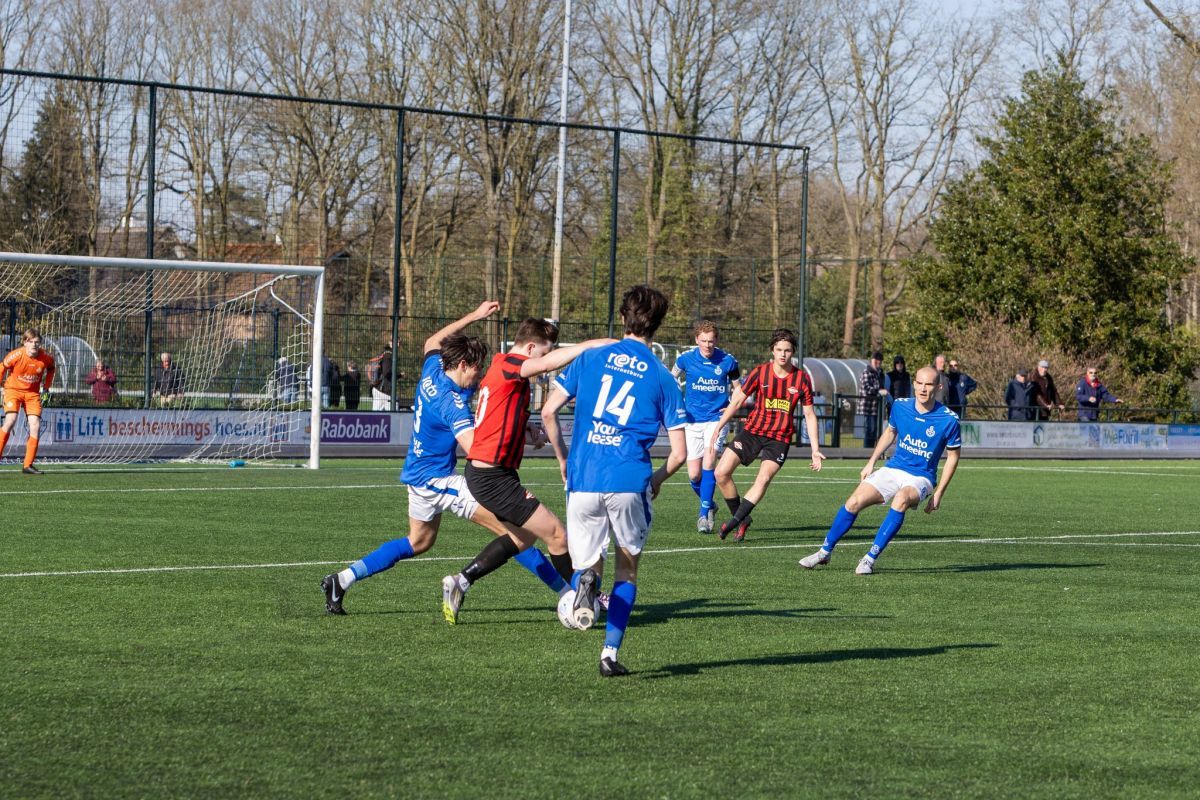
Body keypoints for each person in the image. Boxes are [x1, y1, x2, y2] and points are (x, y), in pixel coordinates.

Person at [320, 301, 572, 615]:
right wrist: (524, 434)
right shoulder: (453, 405)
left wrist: (474, 315)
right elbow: (478, 447)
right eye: (476, 369)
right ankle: (568, 593)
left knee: (419, 542)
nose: (479, 376)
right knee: (518, 532)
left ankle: (341, 579)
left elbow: (432, 341)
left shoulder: (434, 370)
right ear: (463, 364)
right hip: (439, 480)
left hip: (417, 475)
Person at [541, 285, 687, 677]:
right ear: (657, 325)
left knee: (587, 562)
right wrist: (657, 479)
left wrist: (564, 459)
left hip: (584, 476)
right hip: (629, 479)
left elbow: (549, 411)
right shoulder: (663, 377)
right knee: (627, 570)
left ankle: (586, 582)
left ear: (623, 318)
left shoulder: (590, 358)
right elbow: (680, 454)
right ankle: (609, 653)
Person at [440, 319, 614, 624]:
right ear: (530, 348)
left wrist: (527, 429)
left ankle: (461, 581)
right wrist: (591, 345)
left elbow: (497, 417)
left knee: (522, 539)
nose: (545, 362)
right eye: (544, 352)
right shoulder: (510, 364)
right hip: (492, 478)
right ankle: (585, 596)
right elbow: (546, 364)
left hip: (491, 474)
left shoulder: (501, 369)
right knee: (557, 535)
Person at [799, 365, 961, 575]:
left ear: (938, 387)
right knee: (853, 502)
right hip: (894, 468)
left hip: (921, 477)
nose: (923, 388)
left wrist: (938, 493)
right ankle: (824, 552)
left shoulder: (949, 419)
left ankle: (869, 559)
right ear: (914, 384)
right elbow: (890, 433)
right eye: (919, 383)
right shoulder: (900, 406)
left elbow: (953, 457)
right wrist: (871, 462)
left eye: (928, 384)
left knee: (901, 499)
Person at [708, 328, 825, 543]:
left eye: (787, 350)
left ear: (793, 352)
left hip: (779, 439)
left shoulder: (802, 379)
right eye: (779, 350)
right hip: (752, 431)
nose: (783, 354)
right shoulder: (760, 373)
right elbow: (737, 400)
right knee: (721, 473)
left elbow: (809, 415)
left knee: (762, 479)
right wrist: (719, 427)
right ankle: (743, 518)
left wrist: (815, 450)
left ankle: (734, 522)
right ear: (772, 350)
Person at [670, 320, 740, 533]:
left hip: (716, 420)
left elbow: (739, 389)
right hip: (692, 420)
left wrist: (730, 406)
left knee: (709, 461)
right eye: (703, 341)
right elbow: (671, 379)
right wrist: (676, 402)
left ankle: (703, 516)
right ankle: (709, 504)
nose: (708, 345)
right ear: (696, 340)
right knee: (694, 475)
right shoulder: (685, 359)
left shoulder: (728, 361)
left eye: (711, 341)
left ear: (716, 340)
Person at [0, 328, 56, 474]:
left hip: (32, 394)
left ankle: (27, 465)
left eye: (37, 342)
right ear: (25, 342)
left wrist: (46, 388)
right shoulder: (16, 355)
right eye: (30, 342)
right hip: (13, 390)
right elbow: (2, 367)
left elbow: (51, 369)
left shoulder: (46, 357)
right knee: (10, 420)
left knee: (35, 425)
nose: (34, 345)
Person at [858, 350, 887, 448]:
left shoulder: (880, 373)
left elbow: (882, 386)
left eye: (880, 361)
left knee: (875, 430)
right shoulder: (867, 372)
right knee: (870, 429)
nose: (878, 362)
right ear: (872, 361)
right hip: (867, 406)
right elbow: (867, 388)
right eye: (876, 360)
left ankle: (872, 450)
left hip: (877, 407)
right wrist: (879, 391)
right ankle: (867, 451)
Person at [368, 342, 395, 410]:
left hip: (379, 388)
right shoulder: (386, 357)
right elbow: (386, 373)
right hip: (381, 389)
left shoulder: (383, 357)